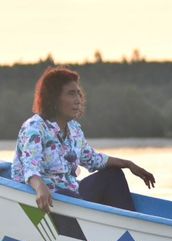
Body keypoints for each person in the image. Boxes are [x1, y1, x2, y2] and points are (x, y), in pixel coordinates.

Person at [11, 66, 155, 213]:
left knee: (113, 175)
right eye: (71, 94)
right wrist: (41, 188)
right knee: (67, 194)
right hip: (44, 200)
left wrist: (128, 164)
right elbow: (30, 168)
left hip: (72, 198)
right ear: (53, 98)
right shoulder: (34, 128)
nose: (78, 100)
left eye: (78, 94)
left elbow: (93, 159)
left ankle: (129, 225)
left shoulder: (74, 129)